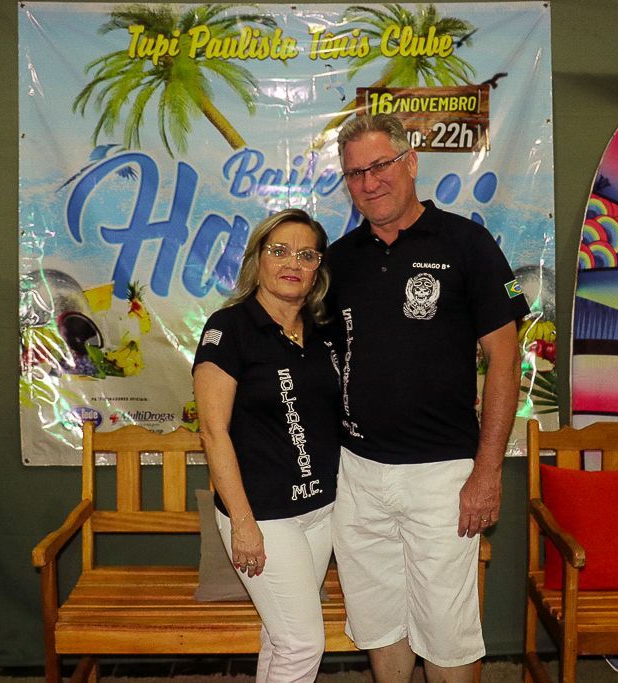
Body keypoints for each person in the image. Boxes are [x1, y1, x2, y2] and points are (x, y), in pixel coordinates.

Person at [326, 113, 530, 682]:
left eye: (380, 166)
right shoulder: (339, 261)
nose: (369, 182)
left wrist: (487, 472)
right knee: (379, 623)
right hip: (358, 474)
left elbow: (505, 359)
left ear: (411, 162)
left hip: (443, 477)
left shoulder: (468, 243)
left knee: (447, 632)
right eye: (355, 173)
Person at [193, 208, 340, 682]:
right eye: (279, 251)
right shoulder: (229, 328)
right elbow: (213, 432)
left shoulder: (324, 332)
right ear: (258, 259)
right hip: (262, 515)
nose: (292, 263)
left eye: (306, 255)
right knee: (302, 644)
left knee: (281, 638)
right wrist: (243, 523)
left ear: (318, 270)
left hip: (321, 511)